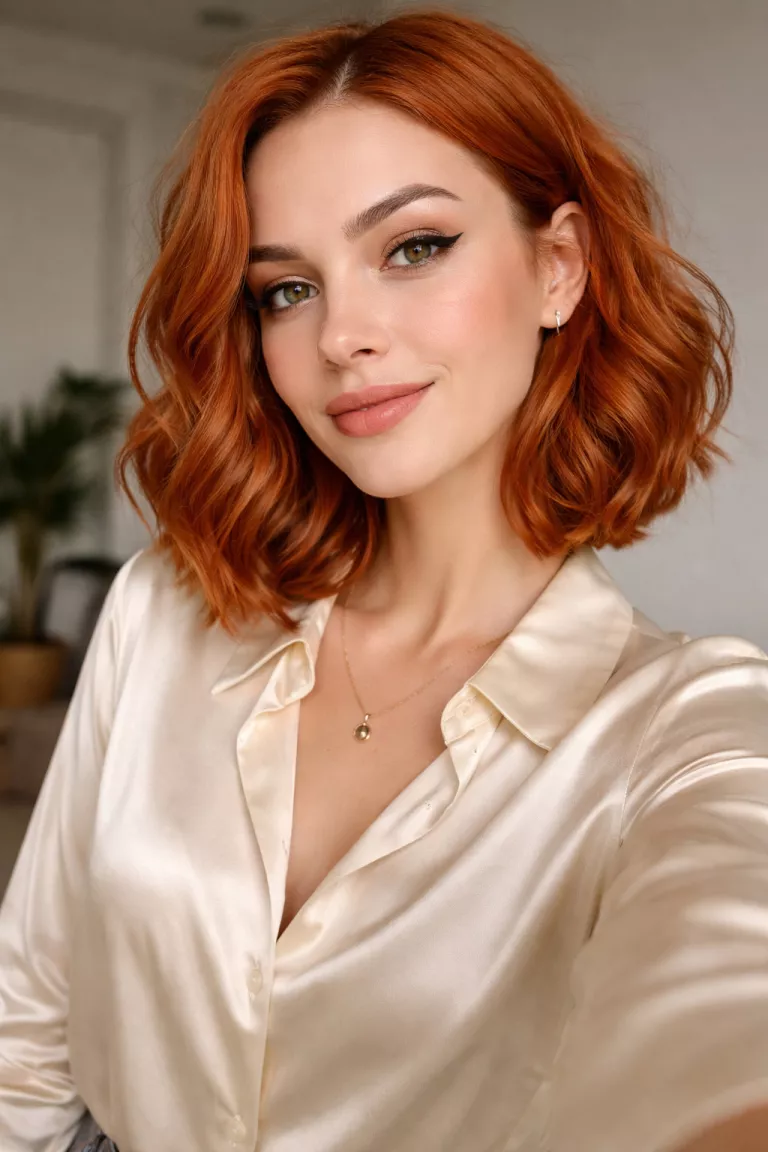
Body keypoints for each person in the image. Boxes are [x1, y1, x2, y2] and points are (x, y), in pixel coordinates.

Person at [1, 7, 767, 1152]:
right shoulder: (167, 610)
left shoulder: (686, 728)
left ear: (557, 269)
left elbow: (719, 1020)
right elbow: (26, 1032)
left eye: (413, 247)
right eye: (285, 289)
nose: (342, 334)